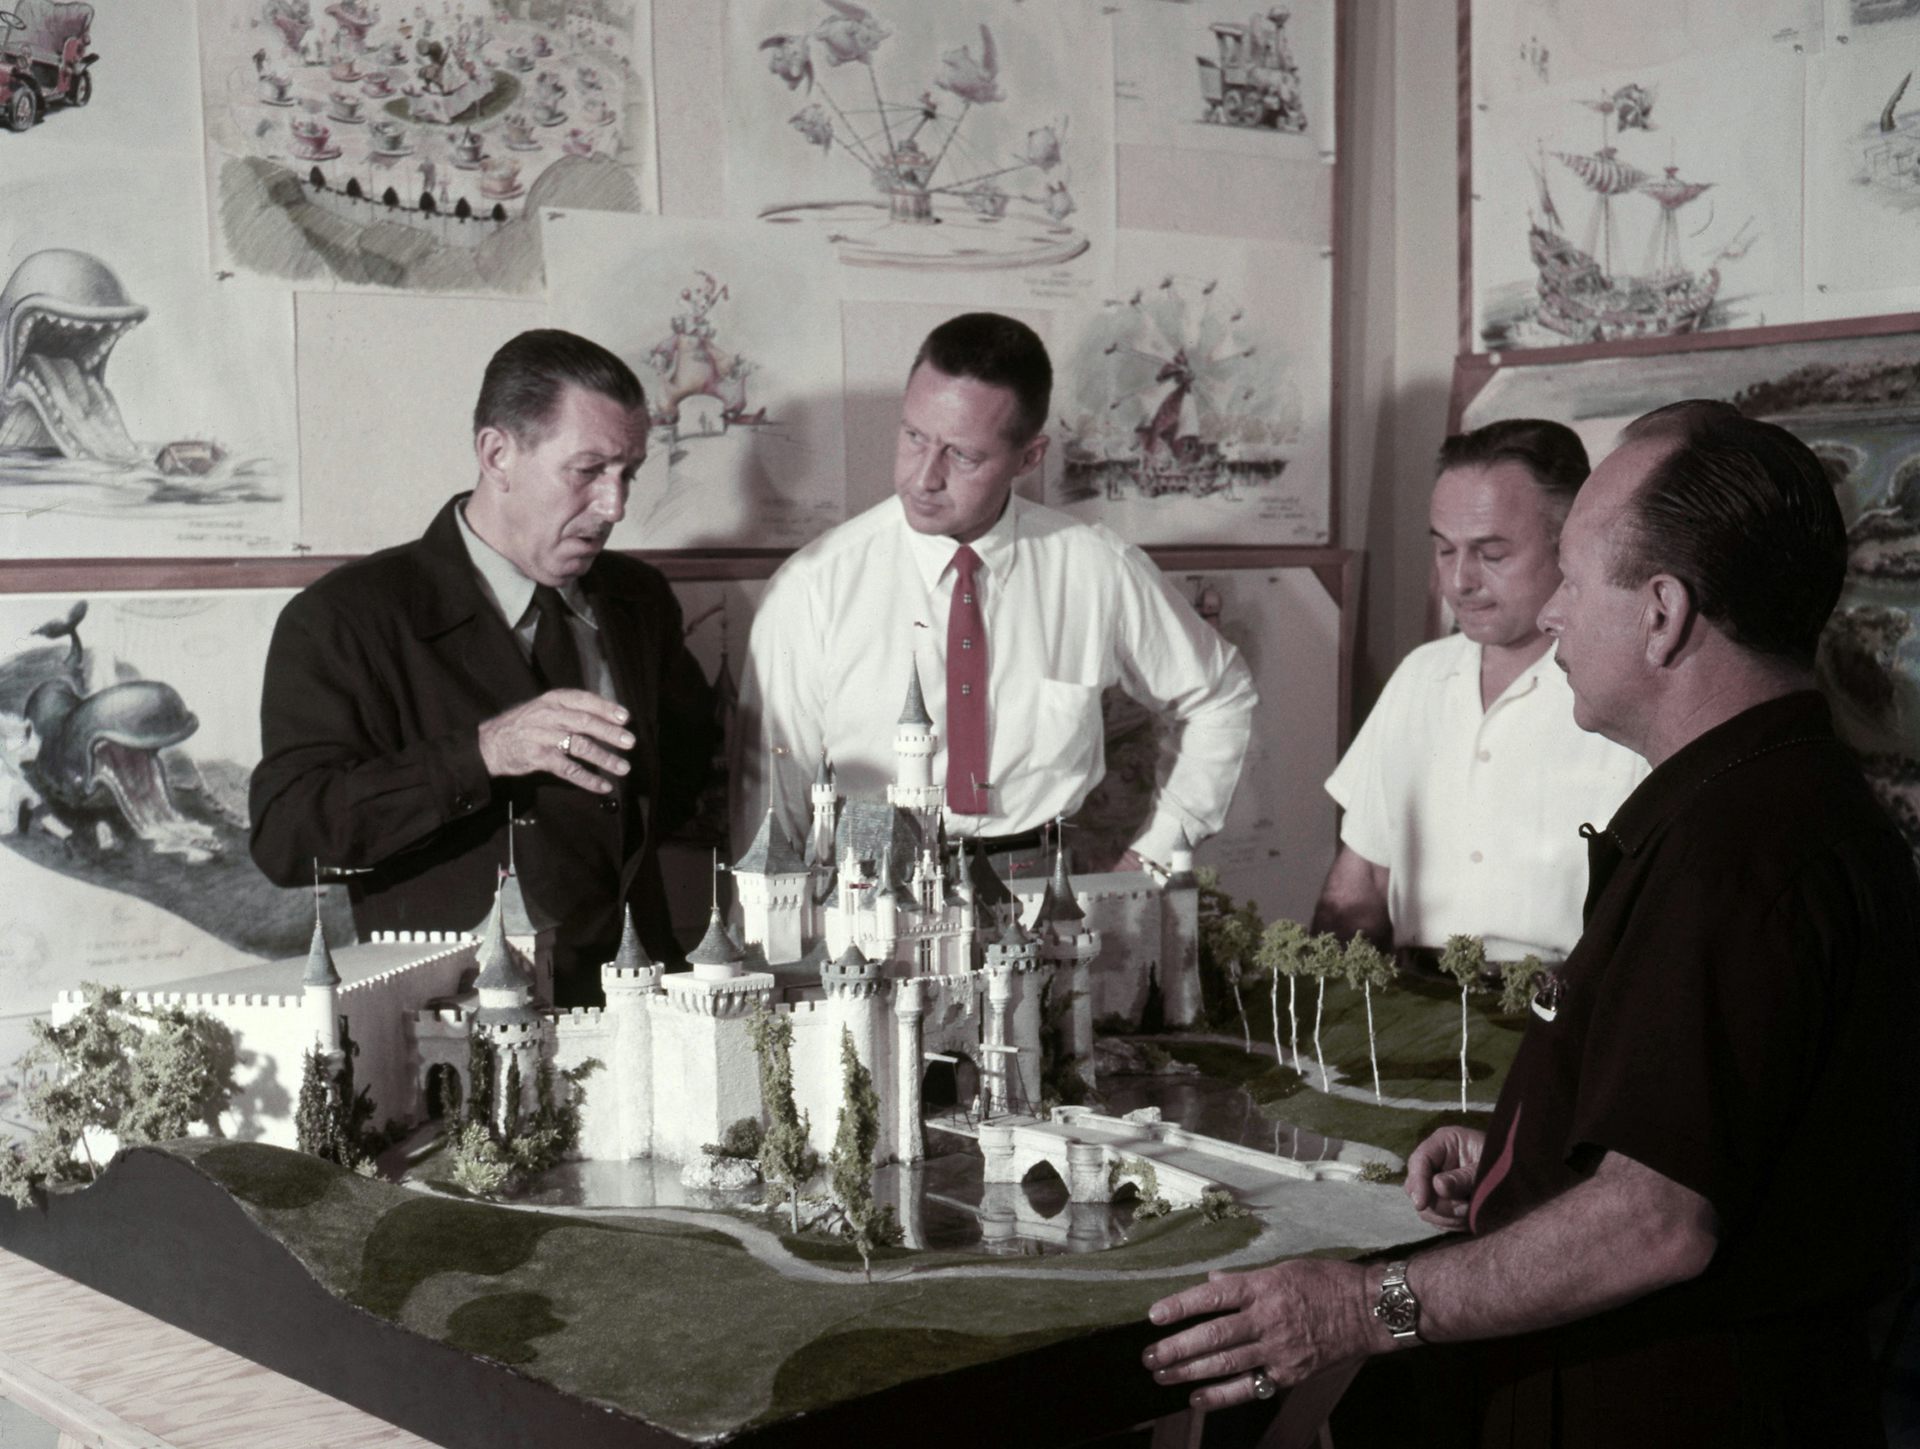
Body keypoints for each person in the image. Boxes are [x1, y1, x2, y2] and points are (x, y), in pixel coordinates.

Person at [1141, 400, 1920, 1445]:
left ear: (1662, 613)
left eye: (1576, 578)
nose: (1553, 616)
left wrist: (1362, 1309)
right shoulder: (1777, 805)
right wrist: (1533, 1151)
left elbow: (1656, 1222)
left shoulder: (1732, 857)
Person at [250, 329, 716, 1005]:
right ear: (498, 454)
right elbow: (288, 835)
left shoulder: (639, 600)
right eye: (588, 471)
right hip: (459, 1031)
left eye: (628, 474)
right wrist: (485, 751)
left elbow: (681, 776)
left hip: (647, 1013)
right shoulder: (345, 619)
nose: (614, 507)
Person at [736, 312, 1254, 873]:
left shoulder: (1095, 569)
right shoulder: (813, 587)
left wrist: (1154, 857)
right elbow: (773, 803)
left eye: (962, 455)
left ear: (1029, 457)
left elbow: (1220, 696)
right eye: (914, 437)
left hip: (1041, 890)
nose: (922, 478)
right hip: (869, 897)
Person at [1313, 419, 1646, 964]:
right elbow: (1361, 882)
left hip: (1562, 1012)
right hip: (1416, 1003)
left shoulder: (1627, 697)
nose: (1459, 582)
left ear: (1571, 548)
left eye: (1490, 554)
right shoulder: (1421, 676)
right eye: (1445, 550)